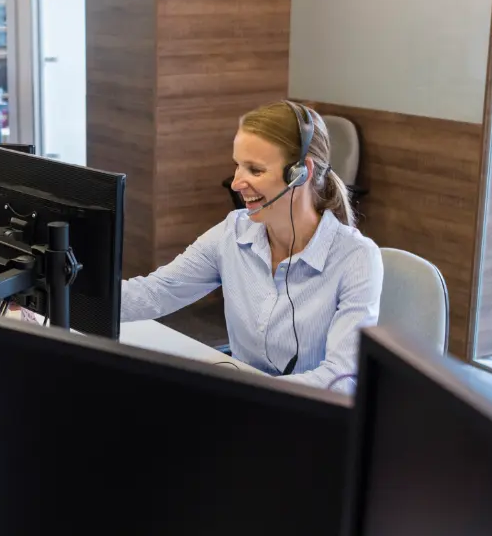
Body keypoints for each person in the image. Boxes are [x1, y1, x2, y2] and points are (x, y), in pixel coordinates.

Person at [121, 101, 382, 390]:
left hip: (310, 418)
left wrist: (250, 393)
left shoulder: (355, 258)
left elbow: (340, 378)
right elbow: (155, 292)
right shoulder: (233, 232)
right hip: (244, 406)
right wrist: (70, 295)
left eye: (255, 170)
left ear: (301, 173)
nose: (236, 183)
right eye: (238, 165)